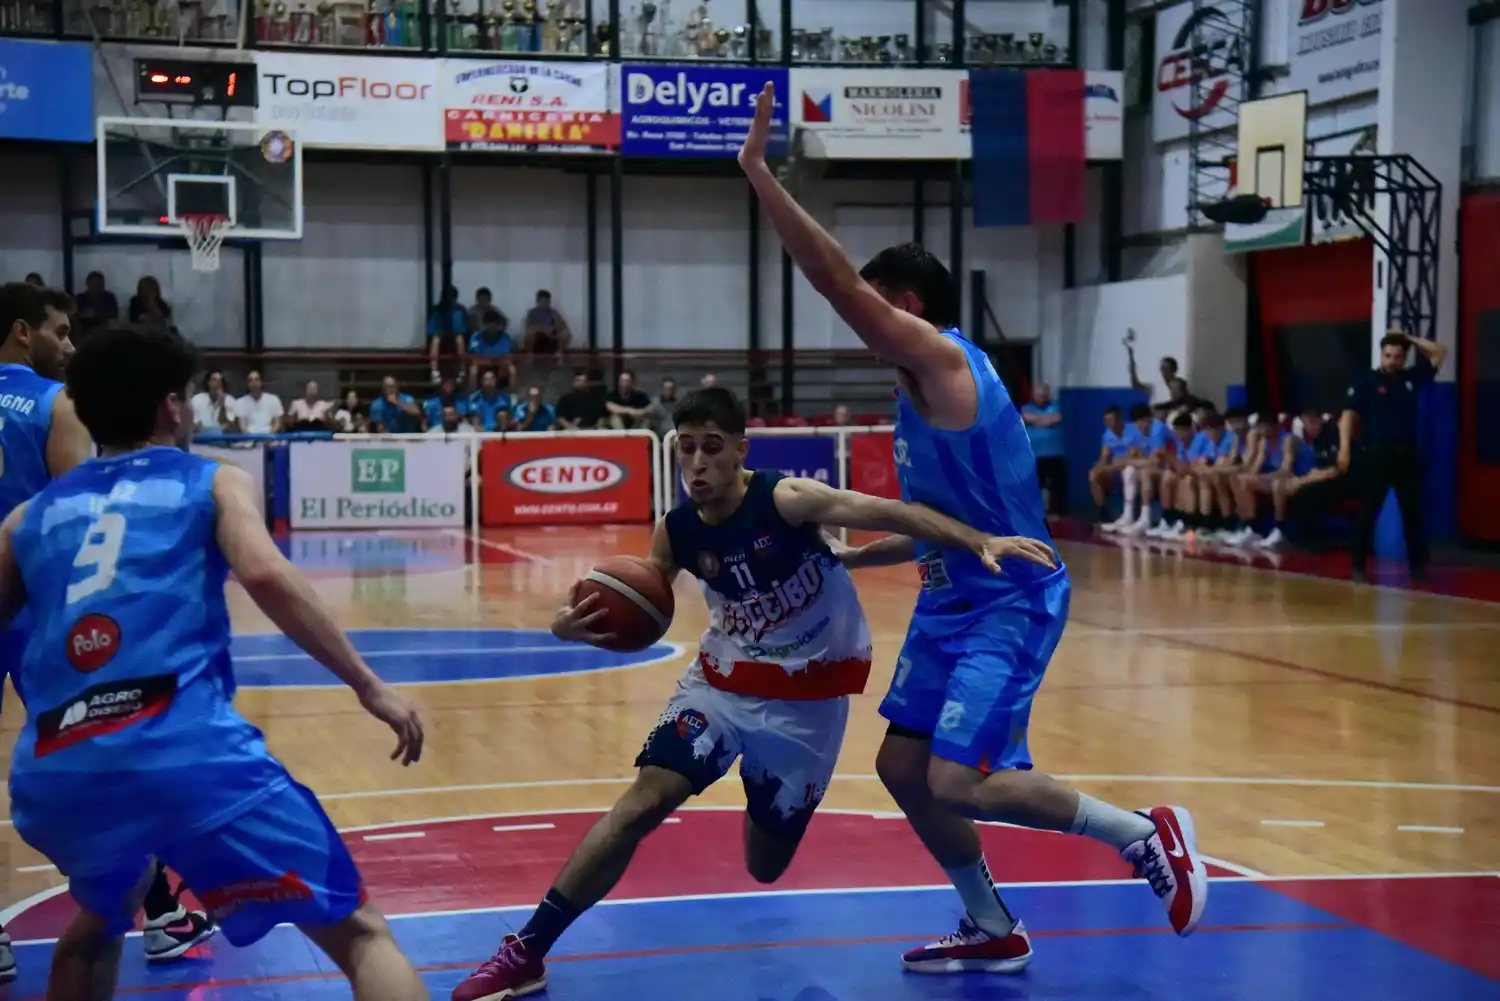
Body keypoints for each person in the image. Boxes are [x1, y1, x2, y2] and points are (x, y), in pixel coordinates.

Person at [735, 82, 1208, 973]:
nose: (863, 323)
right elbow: (943, 526)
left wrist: (760, 174)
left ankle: (1145, 833)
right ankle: (990, 920)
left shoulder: (946, 361)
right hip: (952, 603)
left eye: (877, 306)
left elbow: (834, 280)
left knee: (956, 778)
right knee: (905, 770)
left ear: (907, 302)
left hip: (1011, 601)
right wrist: (856, 555)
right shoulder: (916, 395)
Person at [449, 386, 1057, 1001]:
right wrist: (569, 622)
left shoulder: (788, 499)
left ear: (740, 450)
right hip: (719, 687)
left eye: (711, 449)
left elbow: (889, 511)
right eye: (686, 450)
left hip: (806, 708)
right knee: (642, 803)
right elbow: (638, 597)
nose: (697, 464)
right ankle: (527, 949)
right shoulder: (677, 530)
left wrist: (976, 539)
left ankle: (759, 783)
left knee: (764, 865)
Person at [0, 325, 428, 1001]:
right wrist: (368, 685)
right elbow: (264, 572)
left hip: (57, 771)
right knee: (362, 932)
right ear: (173, 406)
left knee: (93, 929)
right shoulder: (211, 481)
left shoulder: (27, 517)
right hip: (184, 751)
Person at [0, 283, 217, 983]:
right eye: (59, 333)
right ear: (19, 332)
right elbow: (77, 511)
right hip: (41, 613)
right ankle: (155, 912)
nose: (69, 346)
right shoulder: (50, 400)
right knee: (103, 762)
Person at [1341, 330, 1446, 583]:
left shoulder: (1412, 378)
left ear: (1403, 358)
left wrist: (1408, 337)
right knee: (1367, 512)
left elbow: (1439, 352)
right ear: (1381, 355)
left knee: (1412, 512)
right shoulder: (1366, 380)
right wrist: (1344, 448)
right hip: (1376, 455)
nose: (1392, 361)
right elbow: (1348, 416)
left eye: (1397, 356)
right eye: (1388, 355)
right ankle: (1357, 565)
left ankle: (1418, 565)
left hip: (1406, 455)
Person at [1020, 382, 1066, 516]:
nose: (1041, 397)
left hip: (1054, 453)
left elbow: (1057, 418)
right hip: (1033, 454)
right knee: (1034, 484)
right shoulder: (1027, 407)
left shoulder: (1056, 406)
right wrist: (1047, 420)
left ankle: (1055, 512)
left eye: (1043, 395)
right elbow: (1026, 417)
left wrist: (1036, 421)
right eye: (1038, 395)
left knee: (1055, 485)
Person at [1091, 405, 1139, 527]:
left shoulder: (1133, 431)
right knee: (1094, 475)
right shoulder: (1107, 434)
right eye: (1106, 420)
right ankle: (1103, 512)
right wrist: (1097, 468)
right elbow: (1105, 457)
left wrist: (1116, 463)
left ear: (1119, 419)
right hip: (1115, 467)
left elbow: (1133, 456)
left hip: (1133, 467)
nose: (1108, 423)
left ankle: (1130, 516)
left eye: (1110, 420)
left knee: (1128, 470)